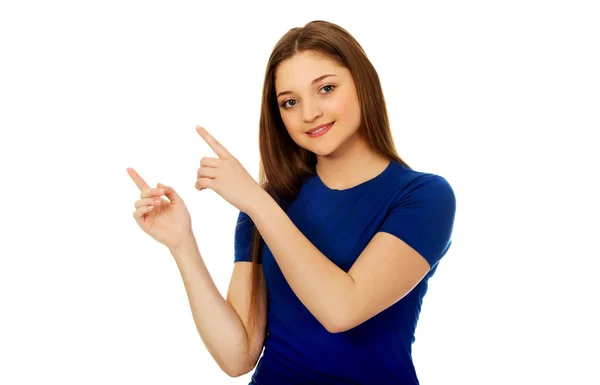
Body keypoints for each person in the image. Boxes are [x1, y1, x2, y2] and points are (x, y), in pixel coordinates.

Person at [127, 20, 456, 385]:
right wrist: (182, 244)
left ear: (363, 84)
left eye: (326, 88)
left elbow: (341, 309)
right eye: (290, 102)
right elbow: (237, 357)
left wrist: (256, 200)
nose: (309, 113)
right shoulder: (269, 204)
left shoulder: (424, 197)